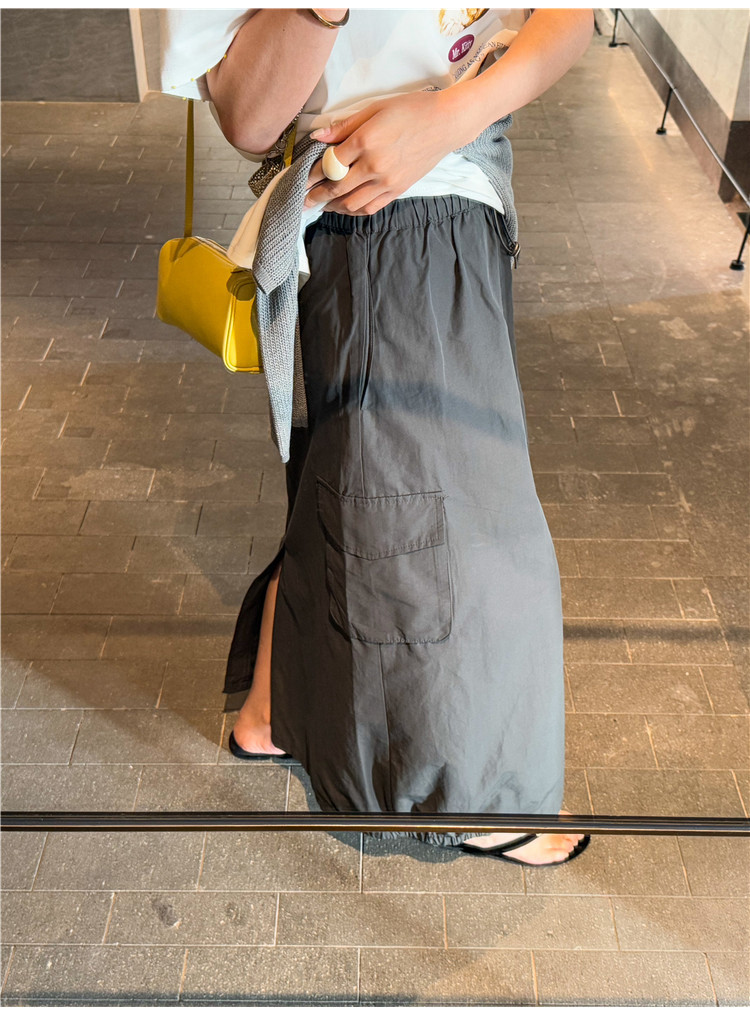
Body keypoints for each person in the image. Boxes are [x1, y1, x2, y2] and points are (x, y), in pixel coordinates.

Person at [161, 8, 595, 867]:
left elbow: (569, 15)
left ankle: (268, 713)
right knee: (452, 527)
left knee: (364, 482)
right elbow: (248, 117)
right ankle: (475, 795)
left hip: (462, 184)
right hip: (372, 215)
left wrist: (453, 115)